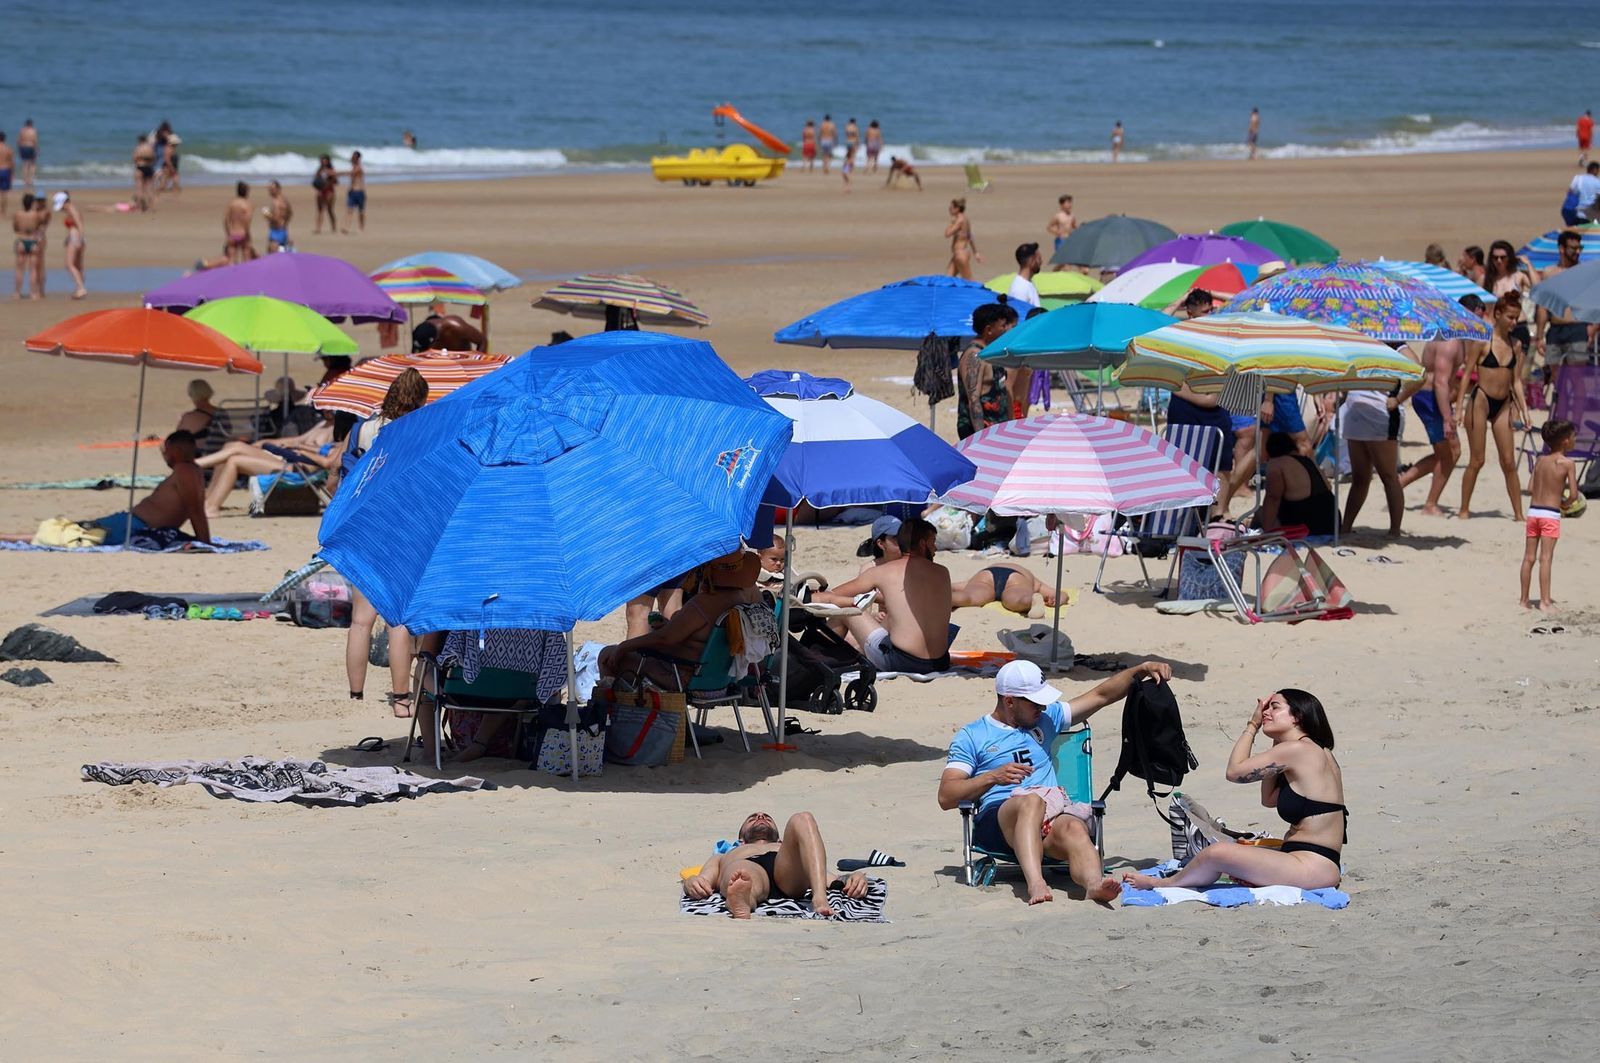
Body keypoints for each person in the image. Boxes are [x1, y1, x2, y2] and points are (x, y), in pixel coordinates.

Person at [941, 659, 1173, 905]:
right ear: (1009, 701)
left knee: (1073, 827)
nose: (1043, 707)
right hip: (1000, 820)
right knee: (1031, 801)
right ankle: (1036, 882)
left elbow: (1101, 695)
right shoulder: (973, 735)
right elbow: (946, 796)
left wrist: (1139, 669)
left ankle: (1094, 885)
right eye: (1036, 702)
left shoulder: (1045, 719)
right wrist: (992, 776)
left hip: (1047, 818)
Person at [1124, 689, 1345, 893]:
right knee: (1232, 847)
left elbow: (1234, 772)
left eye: (1274, 707)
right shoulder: (1316, 751)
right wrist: (1276, 740)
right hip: (1313, 862)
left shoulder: (1297, 749)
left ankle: (1164, 884)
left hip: (1311, 866)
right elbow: (1269, 800)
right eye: (1266, 708)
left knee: (1216, 852)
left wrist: (1253, 725)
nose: (1266, 712)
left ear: (1297, 716)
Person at [342, 369, 428, 714]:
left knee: (360, 619)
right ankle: (401, 699)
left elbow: (346, 473)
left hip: (362, 524)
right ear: (420, 399)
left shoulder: (362, 427)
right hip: (401, 525)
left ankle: (356, 693)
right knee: (398, 618)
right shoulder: (421, 429)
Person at [808, 518, 952, 675]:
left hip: (902, 662)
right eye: (933, 543)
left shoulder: (881, 572)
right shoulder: (943, 572)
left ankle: (814, 662)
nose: (936, 548)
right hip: (940, 662)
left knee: (847, 609)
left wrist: (811, 596)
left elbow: (834, 594)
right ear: (923, 544)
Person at [598, 550, 761, 688]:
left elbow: (664, 639)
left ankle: (619, 715)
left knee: (606, 655)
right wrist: (670, 624)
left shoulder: (703, 604)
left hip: (681, 677)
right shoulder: (739, 599)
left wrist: (624, 646)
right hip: (719, 680)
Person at [681, 812, 869, 919]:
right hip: (746, 864)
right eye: (752, 818)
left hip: (786, 869)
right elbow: (702, 880)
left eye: (766, 817)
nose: (760, 817)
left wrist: (852, 877)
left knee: (803, 818)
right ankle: (742, 901)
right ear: (740, 839)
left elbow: (830, 879)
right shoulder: (726, 855)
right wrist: (691, 882)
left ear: (780, 838)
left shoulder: (784, 847)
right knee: (742, 874)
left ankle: (819, 900)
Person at [1399, 299, 1477, 515]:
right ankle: (1429, 504)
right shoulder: (1450, 342)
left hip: (1431, 398)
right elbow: (1441, 382)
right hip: (1430, 399)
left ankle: (1400, 484)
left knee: (1447, 453)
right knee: (1451, 453)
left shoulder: (1453, 337)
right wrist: (1446, 417)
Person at [1457, 292, 1528, 521]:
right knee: (1477, 460)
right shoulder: (1482, 341)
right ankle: (1464, 509)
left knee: (1508, 461)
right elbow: (1467, 374)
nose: (1514, 322)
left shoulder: (1516, 345)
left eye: (1516, 318)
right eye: (1510, 317)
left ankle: (1518, 514)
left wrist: (1524, 410)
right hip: (1481, 400)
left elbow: (1516, 380)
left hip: (1504, 403)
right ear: (1497, 314)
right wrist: (1459, 407)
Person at [83, 431, 210, 546]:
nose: (164, 455)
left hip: (134, 526)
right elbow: (197, 510)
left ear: (175, 451)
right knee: (81, 530)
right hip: (133, 523)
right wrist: (204, 540)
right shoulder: (193, 471)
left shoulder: (184, 471)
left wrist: (205, 542)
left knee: (79, 533)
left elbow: (195, 510)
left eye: (166, 451)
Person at [1340, 371, 1422, 538]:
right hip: (1355, 411)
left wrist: (1399, 399)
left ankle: (1394, 530)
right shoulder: (1359, 344)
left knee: (1388, 476)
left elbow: (1420, 375)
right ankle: (1346, 527)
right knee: (1360, 477)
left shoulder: (1395, 345)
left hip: (1381, 414)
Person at [1520, 420, 1581, 610]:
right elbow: (1573, 494)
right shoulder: (1567, 463)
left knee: (1529, 558)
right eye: (1573, 437)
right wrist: (1565, 504)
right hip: (1550, 514)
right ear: (1565, 441)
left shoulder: (1540, 460)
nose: (1574, 440)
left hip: (1533, 512)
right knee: (1546, 558)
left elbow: (1530, 488)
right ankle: (1545, 601)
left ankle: (1524, 600)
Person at [1255, 431, 1337, 535]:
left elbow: (1273, 497)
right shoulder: (1309, 461)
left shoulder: (1276, 463)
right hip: (1332, 521)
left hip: (1306, 525)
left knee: (1259, 512)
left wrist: (1267, 530)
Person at [956, 301, 1017, 439]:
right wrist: (979, 438)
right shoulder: (974, 355)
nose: (1006, 329)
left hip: (997, 428)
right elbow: (973, 399)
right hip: (981, 432)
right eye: (1002, 326)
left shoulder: (990, 353)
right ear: (989, 330)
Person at [951, 562, 1060, 618]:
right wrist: (1054, 601)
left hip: (987, 574)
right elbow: (1061, 595)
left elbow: (955, 586)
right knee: (1016, 599)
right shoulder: (1036, 582)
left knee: (969, 596)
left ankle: (950, 599)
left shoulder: (972, 580)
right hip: (1017, 577)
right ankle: (1030, 600)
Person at [176, 379, 233, 457]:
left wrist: (181, 421)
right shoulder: (223, 413)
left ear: (191, 394)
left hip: (200, 456)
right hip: (222, 453)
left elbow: (177, 440)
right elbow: (228, 432)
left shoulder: (190, 417)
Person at [51, 191, 86, 299]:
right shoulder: (71, 209)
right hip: (76, 238)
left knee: (69, 264)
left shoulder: (71, 209)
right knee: (78, 266)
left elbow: (80, 224)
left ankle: (81, 288)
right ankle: (79, 289)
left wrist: (78, 239)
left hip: (75, 238)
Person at [12, 192, 44, 300]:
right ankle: (33, 293)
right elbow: (38, 227)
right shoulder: (36, 214)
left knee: (19, 269)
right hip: (33, 242)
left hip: (21, 241)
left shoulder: (18, 214)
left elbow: (15, 227)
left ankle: (17, 292)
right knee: (33, 269)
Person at [944, 197, 981, 280]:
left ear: (957, 209)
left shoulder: (959, 220)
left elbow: (947, 234)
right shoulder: (966, 219)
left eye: (951, 208)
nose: (949, 210)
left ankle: (983, 292)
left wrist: (951, 223)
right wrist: (976, 253)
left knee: (970, 282)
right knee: (947, 280)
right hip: (961, 253)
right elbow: (970, 236)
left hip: (960, 255)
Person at [1483, 239, 1529, 303]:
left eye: (1503, 257)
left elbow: (1538, 289)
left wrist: (1529, 264)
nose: (1499, 261)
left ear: (1509, 258)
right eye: (1495, 257)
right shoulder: (1486, 278)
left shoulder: (1519, 276)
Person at [224, 181, 254, 264]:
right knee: (247, 260)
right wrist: (248, 234)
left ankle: (232, 276)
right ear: (246, 191)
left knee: (231, 260)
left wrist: (228, 232)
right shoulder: (247, 205)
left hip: (232, 233)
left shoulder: (231, 203)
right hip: (243, 233)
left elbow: (226, 220)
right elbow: (247, 221)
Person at [263, 180, 293, 253]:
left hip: (276, 232)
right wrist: (285, 223)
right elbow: (290, 213)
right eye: (269, 189)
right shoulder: (284, 200)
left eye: (272, 189)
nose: (270, 191)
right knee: (282, 255)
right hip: (283, 230)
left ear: (278, 189)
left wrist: (267, 215)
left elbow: (276, 218)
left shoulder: (276, 202)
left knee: (272, 257)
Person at [312, 154, 338, 233]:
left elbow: (336, 181)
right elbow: (315, 181)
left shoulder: (331, 170)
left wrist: (330, 178)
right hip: (321, 191)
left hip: (329, 191)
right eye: (322, 160)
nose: (323, 162)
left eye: (324, 160)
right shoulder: (319, 170)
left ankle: (333, 226)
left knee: (329, 210)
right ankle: (318, 228)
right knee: (320, 210)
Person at [341, 151, 366, 233]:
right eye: (352, 157)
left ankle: (361, 227)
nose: (353, 159)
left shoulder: (359, 167)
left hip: (359, 191)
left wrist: (335, 173)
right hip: (352, 192)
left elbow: (351, 173)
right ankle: (346, 227)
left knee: (361, 211)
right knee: (349, 210)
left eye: (355, 157)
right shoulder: (353, 167)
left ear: (358, 158)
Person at [1046, 194, 1077, 259]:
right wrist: (1057, 232)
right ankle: (1056, 269)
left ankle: (1055, 270)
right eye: (1067, 203)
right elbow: (1049, 227)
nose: (1070, 205)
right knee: (1064, 261)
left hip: (1069, 240)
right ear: (1062, 204)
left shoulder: (1072, 216)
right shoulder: (1058, 216)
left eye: (1070, 202)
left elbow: (1074, 226)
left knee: (1067, 262)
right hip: (1061, 240)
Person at [132, 135, 156, 212]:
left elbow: (134, 158)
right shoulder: (150, 148)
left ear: (139, 141)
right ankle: (152, 207)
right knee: (149, 188)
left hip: (140, 167)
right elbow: (153, 158)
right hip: (149, 168)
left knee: (139, 188)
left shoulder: (138, 148)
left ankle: (139, 207)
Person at [17, 119, 37, 191]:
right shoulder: (33, 131)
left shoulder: (22, 130)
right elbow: (35, 140)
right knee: (32, 164)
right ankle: (31, 180)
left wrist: (19, 149)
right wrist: (37, 149)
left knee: (25, 164)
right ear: (31, 124)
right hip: (31, 147)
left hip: (23, 147)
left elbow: (19, 140)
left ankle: (25, 181)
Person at [0, 133, 12, 217]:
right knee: (4, 193)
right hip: (5, 170)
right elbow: (11, 163)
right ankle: (2, 212)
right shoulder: (8, 149)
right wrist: (12, 173)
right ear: (4, 139)